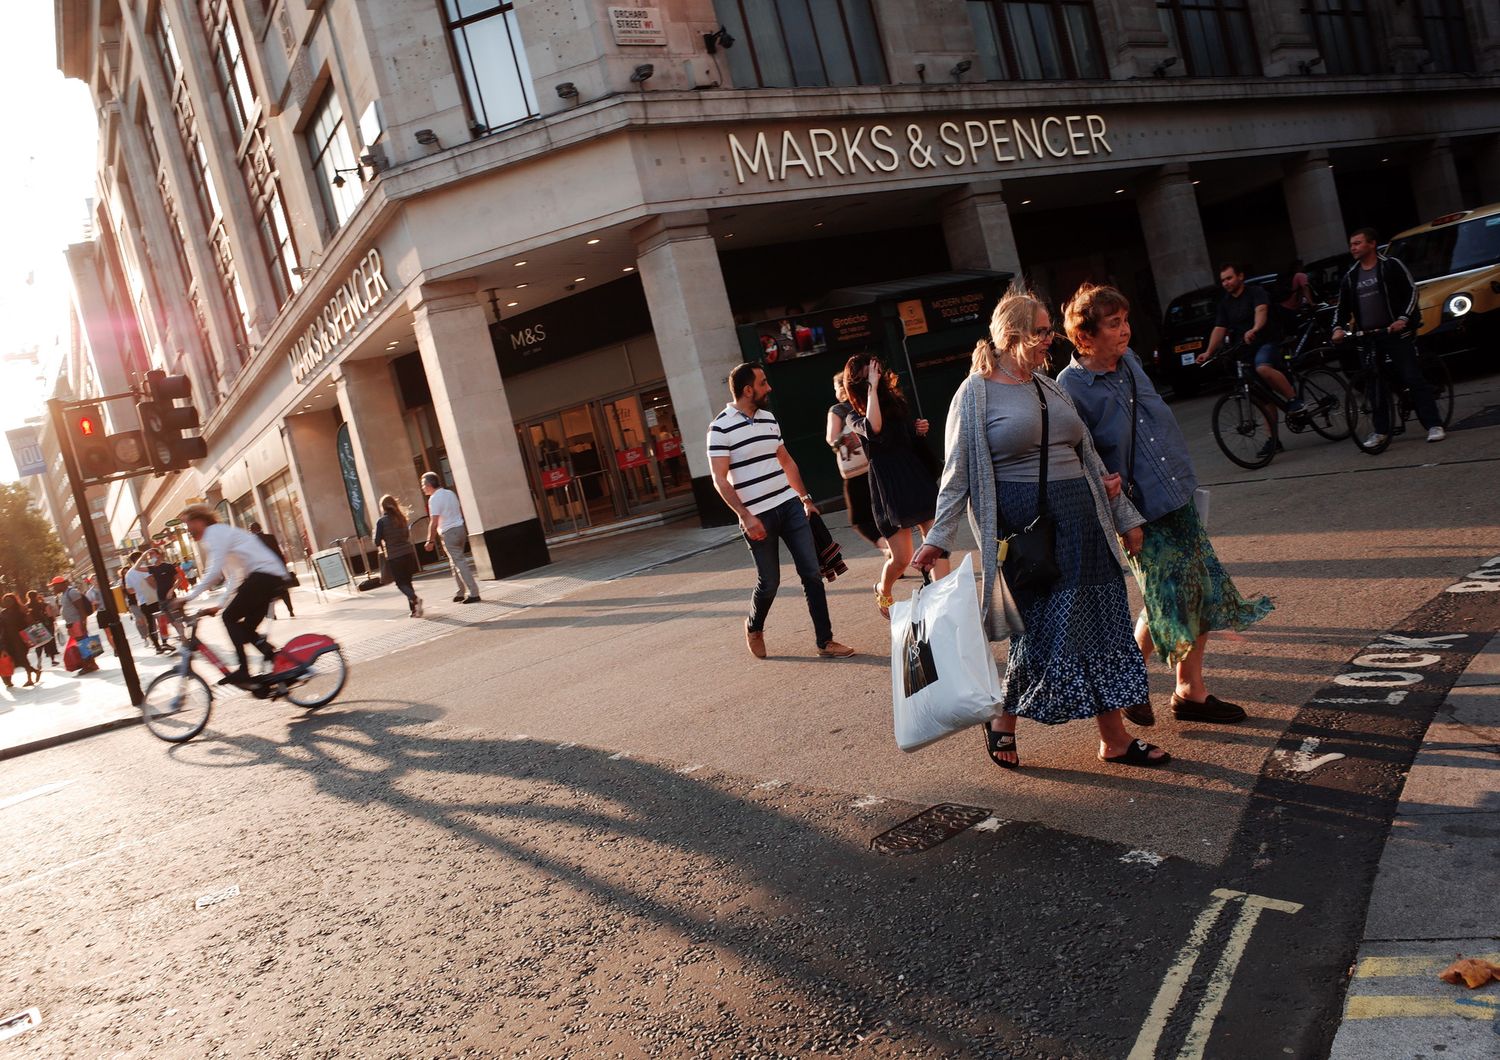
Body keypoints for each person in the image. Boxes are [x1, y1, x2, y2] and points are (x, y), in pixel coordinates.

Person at [913, 288, 1169, 770]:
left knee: (1102, 626)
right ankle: (1005, 718)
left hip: (1083, 522)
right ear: (1012, 335)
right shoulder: (976, 392)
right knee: (1047, 631)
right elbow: (958, 474)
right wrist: (936, 539)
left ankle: (1113, 740)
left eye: (1050, 329)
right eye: (1043, 330)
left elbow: (1088, 456)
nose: (1052, 338)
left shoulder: (1048, 385)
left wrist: (1125, 518)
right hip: (1030, 529)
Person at [1058, 282, 1274, 726]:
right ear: (1085, 336)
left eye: (1125, 321)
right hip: (1137, 509)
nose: (1124, 331)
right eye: (1113, 325)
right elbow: (1082, 456)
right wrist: (1121, 516)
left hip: (1174, 490)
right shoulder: (1071, 386)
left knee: (1197, 590)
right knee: (1165, 597)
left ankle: (1189, 691)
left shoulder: (1130, 361)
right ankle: (1130, 683)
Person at [708, 362, 856, 660]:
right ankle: (754, 625)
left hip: (789, 505)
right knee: (770, 582)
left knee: (812, 573)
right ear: (748, 389)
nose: (769, 388)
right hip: (757, 516)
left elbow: (786, 462)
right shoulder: (720, 427)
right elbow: (719, 479)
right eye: (763, 383)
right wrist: (745, 516)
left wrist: (805, 498)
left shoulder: (769, 419)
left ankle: (825, 642)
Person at [843, 353, 949, 617]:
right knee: (901, 559)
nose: (876, 376)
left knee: (936, 539)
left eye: (876, 372)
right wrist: (872, 388)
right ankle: (883, 589)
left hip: (913, 475)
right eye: (869, 374)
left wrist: (918, 429)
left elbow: (904, 438)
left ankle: (945, 601)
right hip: (889, 487)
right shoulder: (852, 416)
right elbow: (874, 427)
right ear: (859, 382)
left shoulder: (896, 402)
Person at [1332, 227, 1444, 447]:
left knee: (1412, 376)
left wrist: (1402, 319)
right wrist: (1337, 327)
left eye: (1357, 243)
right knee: (1374, 384)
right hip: (1369, 336)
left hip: (1396, 332)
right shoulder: (1351, 276)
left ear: (1372, 244)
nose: (1353, 247)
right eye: (1351, 244)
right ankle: (1381, 430)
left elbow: (1412, 292)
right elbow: (1342, 307)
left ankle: (1433, 424)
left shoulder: (1390, 265)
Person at [1198, 262, 1305, 458]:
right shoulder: (1225, 304)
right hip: (1246, 349)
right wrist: (1209, 351)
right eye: (1223, 280)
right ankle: (1274, 441)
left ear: (1240, 277)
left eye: (1229, 278)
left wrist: (1255, 329)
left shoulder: (1255, 292)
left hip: (1268, 341)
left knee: (1263, 367)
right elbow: (1219, 329)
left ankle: (1294, 400)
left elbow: (1261, 311)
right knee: (1263, 397)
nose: (1226, 283)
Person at [178, 503, 290, 687]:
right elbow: (234, 576)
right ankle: (280, 662)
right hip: (268, 577)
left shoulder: (215, 533)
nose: (187, 529)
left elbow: (213, 571)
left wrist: (187, 597)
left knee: (229, 618)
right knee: (244, 630)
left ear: (199, 521)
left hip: (265, 576)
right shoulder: (218, 534)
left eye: (188, 524)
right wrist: (220, 603)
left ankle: (243, 671)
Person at [825, 372, 885, 554]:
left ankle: (887, 546)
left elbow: (831, 438)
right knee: (881, 513)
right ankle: (892, 555)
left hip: (854, 474)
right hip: (875, 466)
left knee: (859, 520)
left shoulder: (837, 410)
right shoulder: (865, 403)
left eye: (836, 388)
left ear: (841, 389)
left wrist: (839, 443)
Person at [421, 472, 481, 604]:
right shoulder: (450, 494)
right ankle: (460, 592)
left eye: (423, 485)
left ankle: (474, 593)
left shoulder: (434, 499)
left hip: (449, 533)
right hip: (460, 529)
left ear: (429, 485)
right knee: (454, 561)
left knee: (459, 562)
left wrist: (430, 540)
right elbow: (459, 511)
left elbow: (434, 521)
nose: (422, 488)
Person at [374, 494, 423, 618]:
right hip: (408, 553)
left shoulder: (381, 522)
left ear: (382, 507)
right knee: (408, 582)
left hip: (395, 557)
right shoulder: (401, 518)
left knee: (401, 584)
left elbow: (377, 541)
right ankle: (414, 610)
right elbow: (406, 535)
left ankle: (415, 599)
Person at [53, 575, 100, 674]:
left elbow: (81, 609)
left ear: (61, 584)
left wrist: (83, 624)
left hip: (77, 622)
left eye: (54, 586)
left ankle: (89, 665)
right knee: (83, 643)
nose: (53, 588)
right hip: (72, 623)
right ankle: (91, 664)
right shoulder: (65, 594)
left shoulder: (72, 592)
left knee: (83, 644)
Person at [248, 522, 296, 618]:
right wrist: (284, 568)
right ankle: (290, 611)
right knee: (283, 591)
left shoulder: (251, 542)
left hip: (264, 572)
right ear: (260, 528)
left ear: (252, 531)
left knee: (268, 594)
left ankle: (273, 615)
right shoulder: (270, 537)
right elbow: (279, 553)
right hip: (277, 569)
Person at [124, 551, 168, 654]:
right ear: (139, 558)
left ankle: (157, 646)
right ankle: (164, 642)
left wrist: (140, 589)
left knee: (150, 623)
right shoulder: (143, 568)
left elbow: (130, 590)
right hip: (154, 598)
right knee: (161, 620)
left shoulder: (128, 574)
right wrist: (158, 589)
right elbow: (150, 581)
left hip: (142, 601)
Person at [1, 593, 41, 688]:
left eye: (9, 600)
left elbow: (28, 623)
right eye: (5, 601)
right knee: (15, 660)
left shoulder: (20, 611)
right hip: (8, 640)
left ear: (14, 601)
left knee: (23, 659)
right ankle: (35, 671)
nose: (8, 603)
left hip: (20, 639)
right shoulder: (3, 613)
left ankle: (30, 679)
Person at [25, 589, 58, 666]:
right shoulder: (43, 604)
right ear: (36, 596)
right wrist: (53, 622)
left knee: (38, 645)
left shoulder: (26, 607)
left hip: (33, 626)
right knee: (49, 643)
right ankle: (53, 660)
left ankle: (39, 660)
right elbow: (50, 615)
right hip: (44, 625)